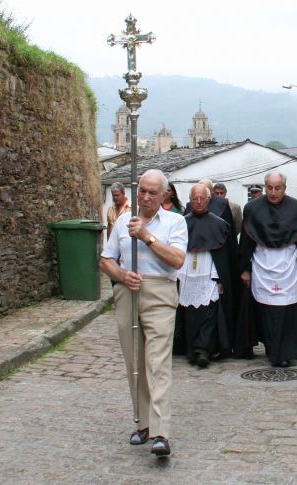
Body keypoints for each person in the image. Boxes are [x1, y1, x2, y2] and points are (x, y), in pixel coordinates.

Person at [99, 169, 188, 457]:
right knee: (134, 362)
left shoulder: (176, 222)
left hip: (160, 292)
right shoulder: (123, 221)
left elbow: (177, 260)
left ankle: (162, 432)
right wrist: (123, 275)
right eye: (143, 191)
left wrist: (147, 236)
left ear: (165, 195)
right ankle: (143, 423)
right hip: (128, 291)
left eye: (153, 193)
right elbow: (106, 260)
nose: (146, 197)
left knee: (157, 362)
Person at [237, 171, 297, 367]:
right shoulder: (252, 209)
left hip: (289, 265)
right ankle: (272, 348)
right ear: (264, 187)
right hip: (262, 265)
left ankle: (285, 351)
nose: (273, 192)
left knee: (288, 310)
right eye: (269, 188)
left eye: (278, 188)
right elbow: (246, 243)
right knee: (265, 310)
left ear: (285, 188)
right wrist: (245, 269)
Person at [175, 184, 238, 368]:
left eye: (203, 198)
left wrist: (220, 279)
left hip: (209, 275)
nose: (199, 202)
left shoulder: (219, 225)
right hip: (187, 275)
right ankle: (191, 350)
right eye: (195, 198)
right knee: (189, 315)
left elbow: (223, 257)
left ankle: (204, 350)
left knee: (209, 314)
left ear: (209, 200)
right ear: (190, 200)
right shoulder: (182, 224)